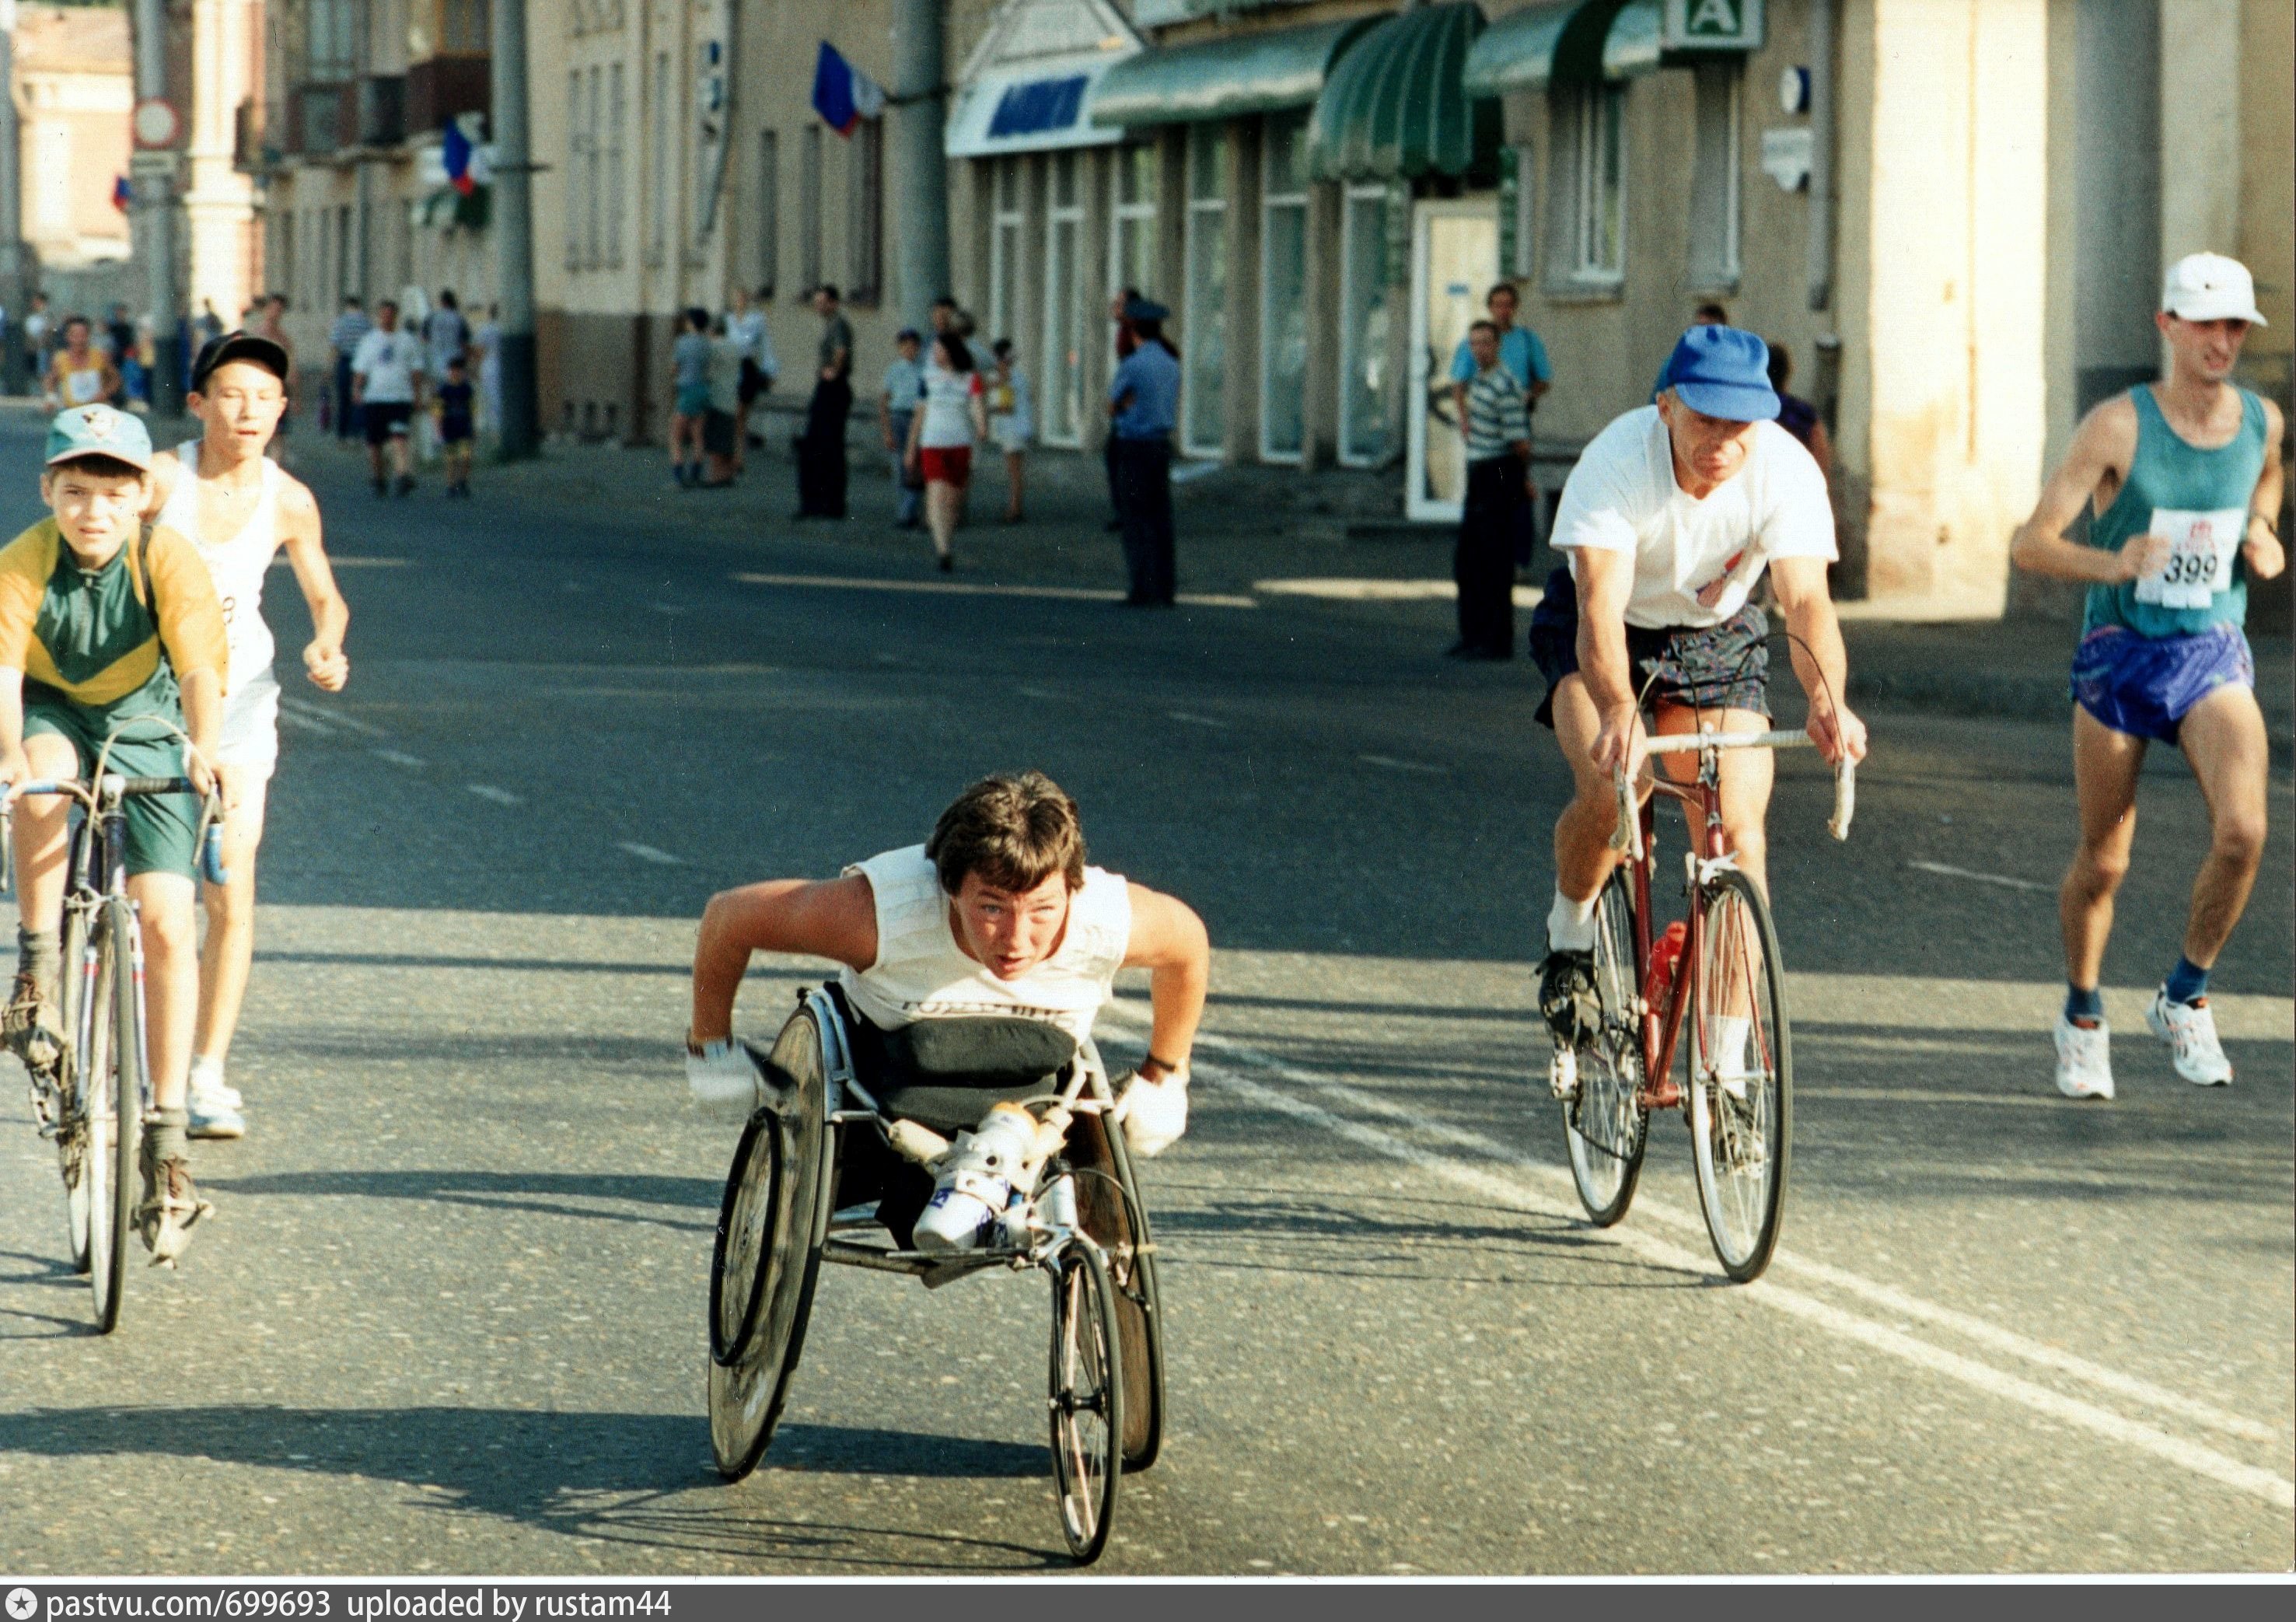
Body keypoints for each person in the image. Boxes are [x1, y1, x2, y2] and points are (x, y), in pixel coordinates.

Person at [1529, 325, 1867, 1057]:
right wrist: (1619, 708)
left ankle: (1729, 1067)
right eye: (1703, 419)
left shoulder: (1784, 468)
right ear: (1665, 407)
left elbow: (1806, 601)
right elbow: (1596, 609)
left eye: (1738, 424)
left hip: (1716, 634)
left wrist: (1826, 699)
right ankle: (1569, 930)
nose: (1720, 441)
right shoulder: (1617, 462)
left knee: (1739, 840)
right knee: (1618, 788)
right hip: (1611, 626)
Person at [2008, 252, 2284, 1100]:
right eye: (2205, 324)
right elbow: (2030, 543)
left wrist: (2264, 529)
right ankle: (2083, 1016)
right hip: (2120, 653)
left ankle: (2184, 995)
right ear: (2167, 326)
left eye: (2234, 325)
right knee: (2106, 860)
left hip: (2208, 648)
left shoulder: (2262, 421)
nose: (2221, 341)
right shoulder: (2117, 427)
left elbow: (2269, 474)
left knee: (2244, 832)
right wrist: (2113, 560)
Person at [684, 771, 1207, 1173]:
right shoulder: (880, 916)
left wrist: (1164, 1073)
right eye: (992, 908)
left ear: (1070, 889)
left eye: (1043, 910)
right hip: (892, 1080)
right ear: (950, 888)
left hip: (1036, 1090)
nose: (1018, 940)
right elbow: (729, 918)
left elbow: (1187, 945)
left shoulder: (1105, 918)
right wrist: (711, 1048)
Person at [0, 405, 230, 1264]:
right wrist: (9, 760)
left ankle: (166, 1142)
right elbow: (3, 677)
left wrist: (204, 752)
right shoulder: (22, 560)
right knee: (42, 784)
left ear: (144, 496)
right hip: (57, 710)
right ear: (48, 493)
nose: (94, 510)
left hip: (147, 720)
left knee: (169, 917)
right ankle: (39, 972)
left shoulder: (167, 557)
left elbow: (203, 666)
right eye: (76, 491)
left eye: (113, 492)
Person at [139, 334, 351, 1138]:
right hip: (150, 700)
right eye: (232, 394)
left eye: (265, 397)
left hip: (239, 704)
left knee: (230, 883)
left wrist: (326, 644)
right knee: (152, 890)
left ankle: (207, 1071)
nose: (250, 410)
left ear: (283, 409)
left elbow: (325, 596)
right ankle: (127, 1035)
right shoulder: (162, 479)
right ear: (199, 404)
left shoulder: (288, 497)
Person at [1450, 320, 1533, 661]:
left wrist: (1519, 481)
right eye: (1474, 343)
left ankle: (1497, 640)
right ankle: (1472, 634)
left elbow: (1520, 443)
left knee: (1494, 559)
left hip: (1499, 469)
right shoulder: (1480, 381)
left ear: (1497, 345)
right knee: (1468, 560)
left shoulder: (1505, 385)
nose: (1479, 349)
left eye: (1485, 342)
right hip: (1479, 468)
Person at [1108, 299, 1182, 607]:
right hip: (1160, 444)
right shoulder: (1171, 362)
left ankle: (1142, 587)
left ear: (1134, 330)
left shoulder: (1133, 364)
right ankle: (1165, 588)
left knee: (1136, 518)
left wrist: (1125, 407)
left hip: (1133, 444)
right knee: (1160, 518)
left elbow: (1112, 405)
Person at [905, 333, 988, 572]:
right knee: (936, 492)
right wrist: (911, 448)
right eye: (934, 350)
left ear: (951, 351)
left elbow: (976, 404)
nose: (935, 354)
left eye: (939, 349)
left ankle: (946, 540)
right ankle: (943, 551)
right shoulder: (928, 378)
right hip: (932, 443)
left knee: (953, 499)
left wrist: (981, 425)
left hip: (960, 443)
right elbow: (919, 416)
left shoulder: (970, 378)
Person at [351, 299, 425, 497]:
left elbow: (416, 370)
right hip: (375, 397)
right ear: (379, 316)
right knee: (375, 443)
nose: (387, 318)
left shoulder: (407, 340)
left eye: (391, 315)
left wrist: (417, 395)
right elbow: (361, 369)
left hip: (401, 396)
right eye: (383, 314)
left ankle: (402, 475)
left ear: (396, 316)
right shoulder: (370, 341)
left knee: (399, 438)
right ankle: (378, 478)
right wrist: (357, 389)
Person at [794, 286, 854, 519]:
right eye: (816, 302)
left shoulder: (838, 324)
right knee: (821, 446)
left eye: (822, 302)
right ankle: (823, 502)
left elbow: (840, 351)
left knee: (823, 445)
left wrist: (833, 371)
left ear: (833, 302)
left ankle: (826, 502)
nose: (818, 307)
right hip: (831, 387)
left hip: (833, 388)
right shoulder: (832, 324)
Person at [1765, 341, 1833, 484]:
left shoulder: (1750, 412)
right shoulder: (1803, 414)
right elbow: (1821, 458)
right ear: (1788, 372)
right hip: (1796, 487)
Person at [725, 285, 778, 470]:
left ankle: (738, 456)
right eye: (736, 298)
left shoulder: (756, 321)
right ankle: (732, 454)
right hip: (731, 369)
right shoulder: (728, 321)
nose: (739, 302)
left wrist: (770, 370)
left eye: (742, 298)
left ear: (747, 300)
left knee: (740, 414)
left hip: (747, 368)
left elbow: (766, 346)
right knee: (731, 414)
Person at [1103, 289, 1143, 533]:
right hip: (1127, 406)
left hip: (1132, 407)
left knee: (1119, 458)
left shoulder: (1135, 332)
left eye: (1119, 304)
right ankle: (1127, 512)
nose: (1114, 307)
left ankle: (1129, 513)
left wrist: (1126, 400)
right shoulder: (1124, 331)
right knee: (1118, 459)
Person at [879, 327, 925, 530]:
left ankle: (910, 512)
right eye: (905, 346)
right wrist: (887, 431)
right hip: (898, 417)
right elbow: (884, 401)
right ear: (899, 348)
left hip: (918, 418)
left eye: (913, 346)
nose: (909, 350)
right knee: (899, 465)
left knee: (915, 465)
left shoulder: (923, 370)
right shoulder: (894, 370)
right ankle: (904, 511)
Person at [988, 339, 1036, 524]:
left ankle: (1015, 509)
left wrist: (988, 410)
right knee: (1017, 472)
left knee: (1014, 472)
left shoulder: (1007, 377)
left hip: (1012, 430)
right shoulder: (1019, 376)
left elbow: (1006, 407)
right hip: (1021, 428)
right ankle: (1016, 507)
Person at [668, 307, 713, 488]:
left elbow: (674, 368)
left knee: (676, 436)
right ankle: (696, 474)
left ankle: (679, 478)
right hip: (703, 390)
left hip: (687, 390)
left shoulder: (682, 342)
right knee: (698, 436)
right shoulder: (707, 343)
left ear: (692, 323)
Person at [700, 316, 747, 488]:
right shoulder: (734, 347)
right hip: (732, 396)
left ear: (711, 331)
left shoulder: (713, 347)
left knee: (716, 440)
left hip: (717, 397)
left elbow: (707, 372)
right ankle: (728, 474)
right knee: (728, 437)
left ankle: (716, 476)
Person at [44, 317, 121, 414]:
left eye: (83, 335)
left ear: (88, 336)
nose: (80, 340)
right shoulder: (60, 359)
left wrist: (105, 393)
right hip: (72, 413)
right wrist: (51, 398)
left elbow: (116, 379)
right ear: (68, 337)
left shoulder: (100, 356)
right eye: (75, 336)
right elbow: (51, 380)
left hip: (97, 413)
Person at [253, 295, 295, 456]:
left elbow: (292, 369)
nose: (275, 313)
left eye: (279, 310)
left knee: (278, 434)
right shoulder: (255, 334)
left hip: (278, 391)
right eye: (273, 309)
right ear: (266, 309)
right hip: (256, 391)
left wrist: (296, 396)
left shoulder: (284, 339)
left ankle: (273, 470)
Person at [434, 352, 478, 497]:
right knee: (451, 458)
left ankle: (463, 481)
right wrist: (439, 428)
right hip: (449, 427)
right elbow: (438, 410)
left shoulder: (467, 389)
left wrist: (474, 426)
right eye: (453, 370)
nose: (456, 373)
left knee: (466, 456)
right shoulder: (444, 390)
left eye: (459, 370)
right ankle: (451, 484)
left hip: (464, 426)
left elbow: (472, 409)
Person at [329, 296, 372, 442]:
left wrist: (329, 367)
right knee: (359, 397)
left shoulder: (341, 322)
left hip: (345, 361)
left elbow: (335, 346)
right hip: (362, 364)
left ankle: (342, 434)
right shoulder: (366, 323)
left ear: (347, 306)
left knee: (343, 399)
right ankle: (356, 432)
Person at [424, 290, 471, 388]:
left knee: (438, 395)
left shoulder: (432, 317)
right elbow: (465, 343)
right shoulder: (459, 318)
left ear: (442, 302)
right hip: (455, 364)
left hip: (436, 362)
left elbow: (425, 338)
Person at [22, 292, 51, 388]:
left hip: (42, 348)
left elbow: (49, 330)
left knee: (42, 372)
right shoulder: (32, 316)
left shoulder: (47, 315)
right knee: (33, 373)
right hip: (32, 349)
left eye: (37, 302)